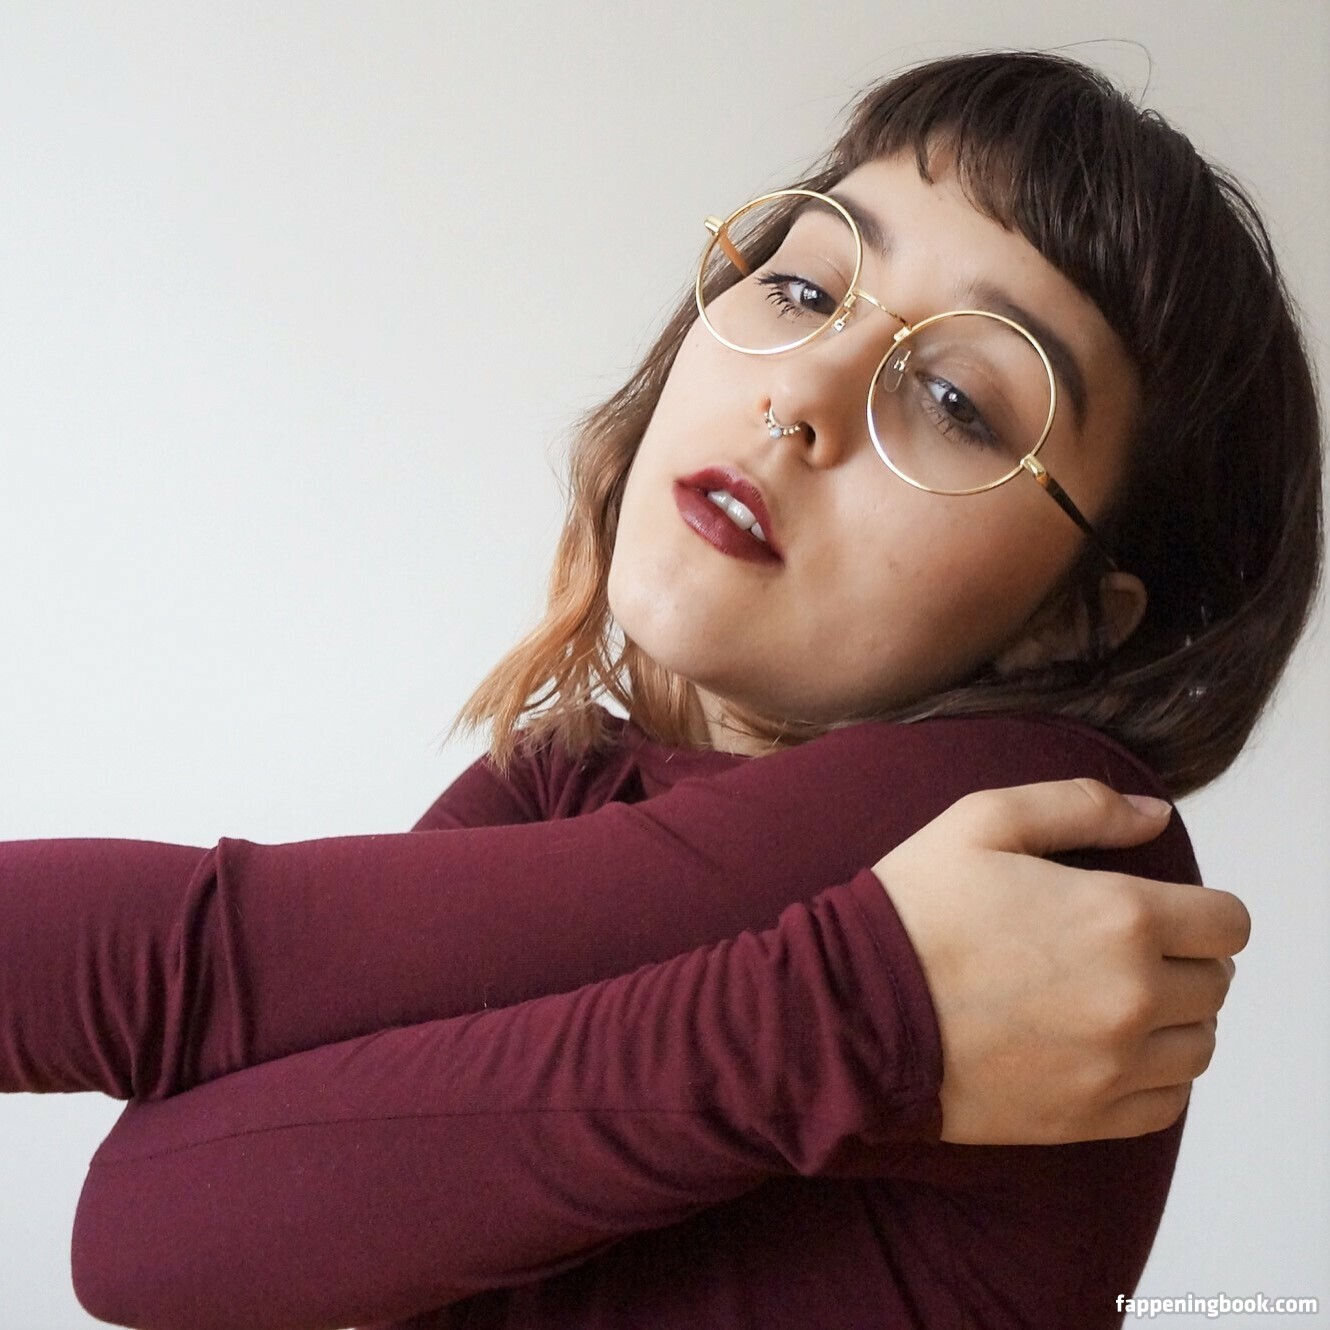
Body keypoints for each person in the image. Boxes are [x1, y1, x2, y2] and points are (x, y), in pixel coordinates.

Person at [0, 49, 1320, 1330]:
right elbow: (145, 1228)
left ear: (1068, 626)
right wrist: (834, 1017)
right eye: (802, 287)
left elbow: (182, 976)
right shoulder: (563, 779)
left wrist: (836, 1013)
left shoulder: (1045, 841)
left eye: (953, 400)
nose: (800, 391)